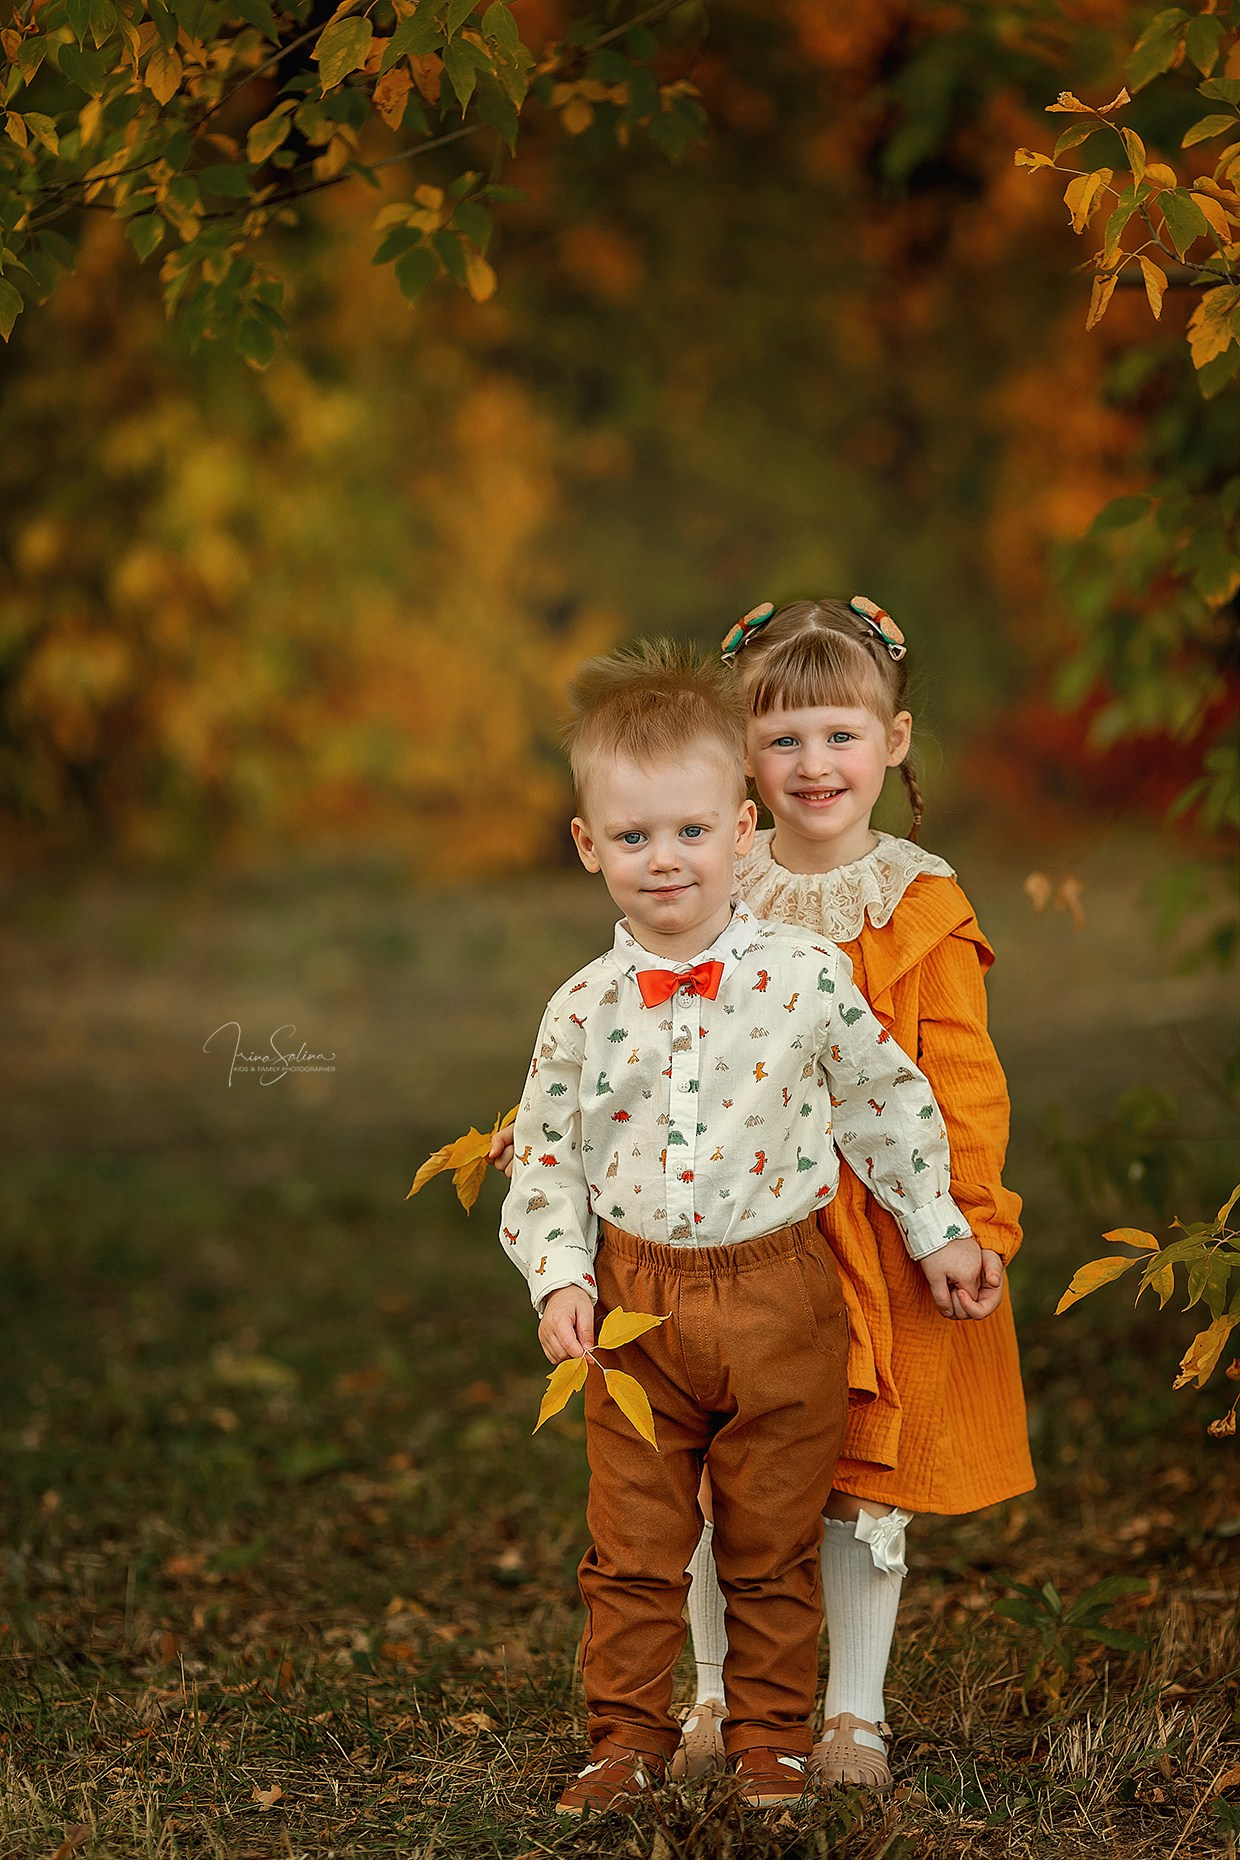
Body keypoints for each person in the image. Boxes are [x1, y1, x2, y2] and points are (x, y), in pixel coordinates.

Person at [498, 637, 982, 1817]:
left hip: (781, 1294)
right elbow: (548, 1153)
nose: (665, 860)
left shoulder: (808, 976)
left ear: (741, 827)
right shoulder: (580, 1006)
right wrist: (560, 1275)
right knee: (633, 1542)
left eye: (691, 831)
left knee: (770, 1535)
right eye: (632, 837)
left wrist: (939, 1228)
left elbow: (885, 1103)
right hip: (634, 1306)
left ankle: (769, 1738)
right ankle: (628, 1737)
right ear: (586, 846)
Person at [669, 596, 1033, 1792]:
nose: (812, 765)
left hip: (888, 1228)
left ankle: (852, 1715)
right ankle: (715, 1697)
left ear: (895, 740)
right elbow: (641, 1032)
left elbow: (962, 1083)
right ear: (741, 758)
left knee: (862, 1473)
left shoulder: (919, 905)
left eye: (838, 735)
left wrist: (969, 1225)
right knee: (722, 1458)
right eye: (780, 741)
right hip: (737, 1224)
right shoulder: (711, 885)